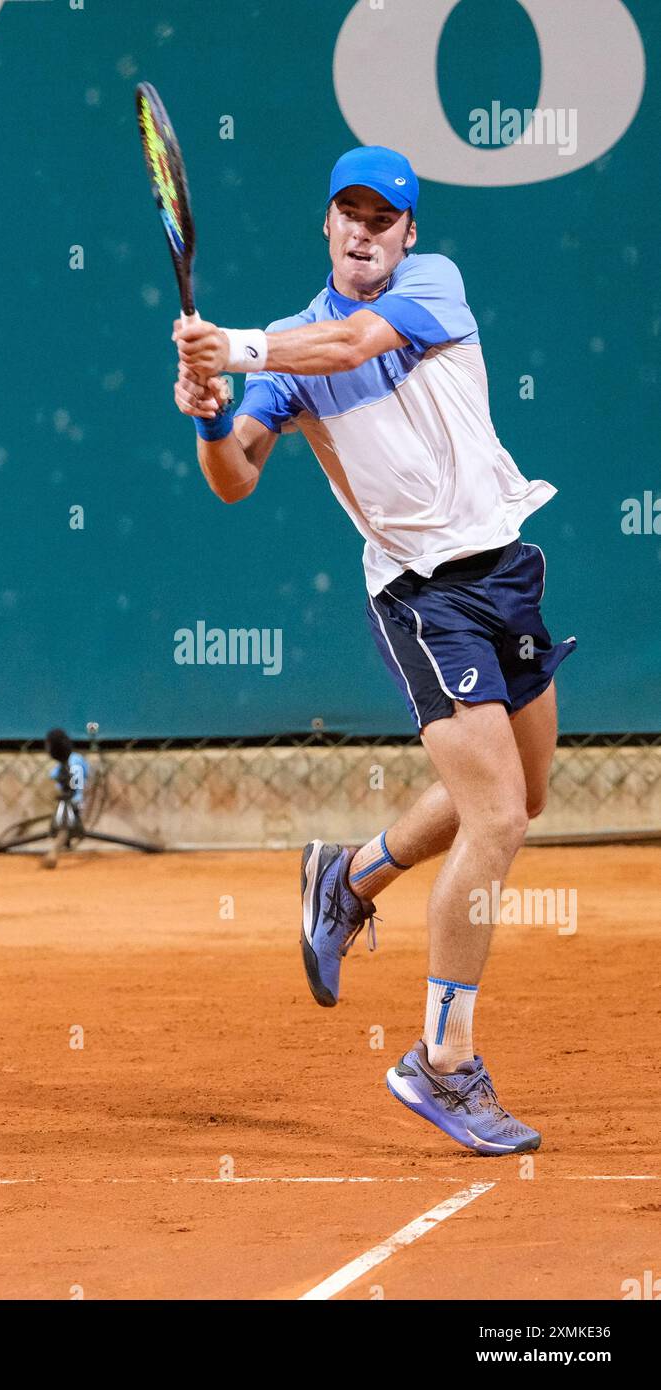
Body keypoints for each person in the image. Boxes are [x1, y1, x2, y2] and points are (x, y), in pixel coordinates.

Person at [172, 145, 575, 1156]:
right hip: (419, 595)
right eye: (346, 214)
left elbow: (352, 344)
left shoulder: (425, 289)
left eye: (381, 218)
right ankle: (440, 1061)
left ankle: (346, 879)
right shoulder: (287, 351)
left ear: (406, 234)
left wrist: (233, 348)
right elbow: (232, 482)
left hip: (505, 571)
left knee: (527, 794)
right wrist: (212, 412)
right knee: (495, 823)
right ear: (324, 226)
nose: (363, 232)